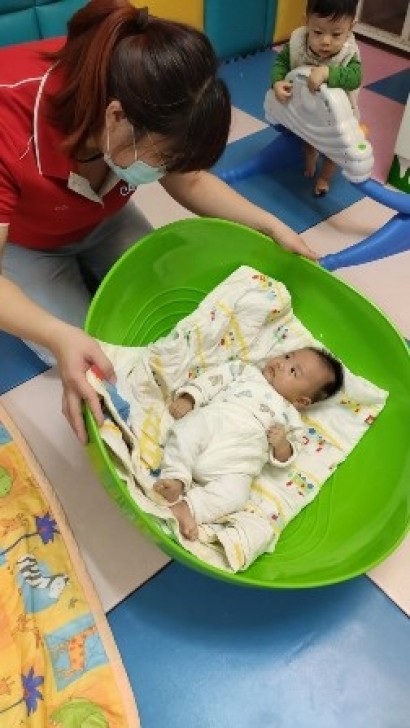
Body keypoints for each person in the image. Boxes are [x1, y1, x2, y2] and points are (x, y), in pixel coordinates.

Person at [0, 0, 317, 445]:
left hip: (103, 215)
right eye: (164, 158)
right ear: (115, 117)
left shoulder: (140, 79)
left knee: (174, 314)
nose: (167, 170)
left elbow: (191, 179)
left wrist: (271, 225)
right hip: (26, 240)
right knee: (90, 359)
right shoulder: (10, 122)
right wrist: (57, 336)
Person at [153, 347, 344, 540]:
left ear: (301, 401)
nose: (281, 364)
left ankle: (188, 508)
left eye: (293, 371)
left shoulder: (292, 419)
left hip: (237, 464)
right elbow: (213, 380)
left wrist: (281, 444)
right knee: (188, 430)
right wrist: (190, 398)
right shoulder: (246, 372)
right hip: (214, 425)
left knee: (238, 495)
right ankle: (176, 479)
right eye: (287, 356)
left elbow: (287, 456)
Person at [271, 0, 361, 196]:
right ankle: (310, 152)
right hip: (306, 106)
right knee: (307, 134)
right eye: (318, 32)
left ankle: (325, 178)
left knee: (334, 149)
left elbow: (355, 77)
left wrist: (329, 73)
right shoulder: (298, 42)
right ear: (307, 23)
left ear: (351, 27)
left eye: (336, 34)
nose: (326, 41)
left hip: (336, 115)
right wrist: (277, 81)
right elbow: (282, 62)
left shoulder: (347, 53)